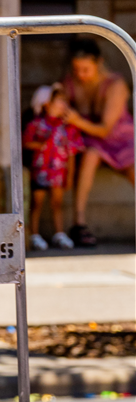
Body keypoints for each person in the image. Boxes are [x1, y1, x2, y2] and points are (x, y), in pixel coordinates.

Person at [59, 37, 135, 247]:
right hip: (91, 140)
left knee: (133, 167)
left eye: (85, 69)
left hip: (120, 139)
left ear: (99, 63)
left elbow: (105, 129)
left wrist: (76, 120)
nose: (80, 74)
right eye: (76, 69)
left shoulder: (115, 84)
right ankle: (79, 224)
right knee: (90, 155)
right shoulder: (70, 82)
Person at [23, 85, 83, 251]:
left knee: (57, 203)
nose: (63, 104)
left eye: (65, 101)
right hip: (40, 171)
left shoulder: (68, 128)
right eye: (59, 101)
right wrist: (38, 145)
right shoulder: (36, 124)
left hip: (58, 173)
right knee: (37, 203)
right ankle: (34, 234)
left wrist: (70, 176)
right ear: (46, 104)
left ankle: (59, 233)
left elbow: (71, 153)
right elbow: (25, 142)